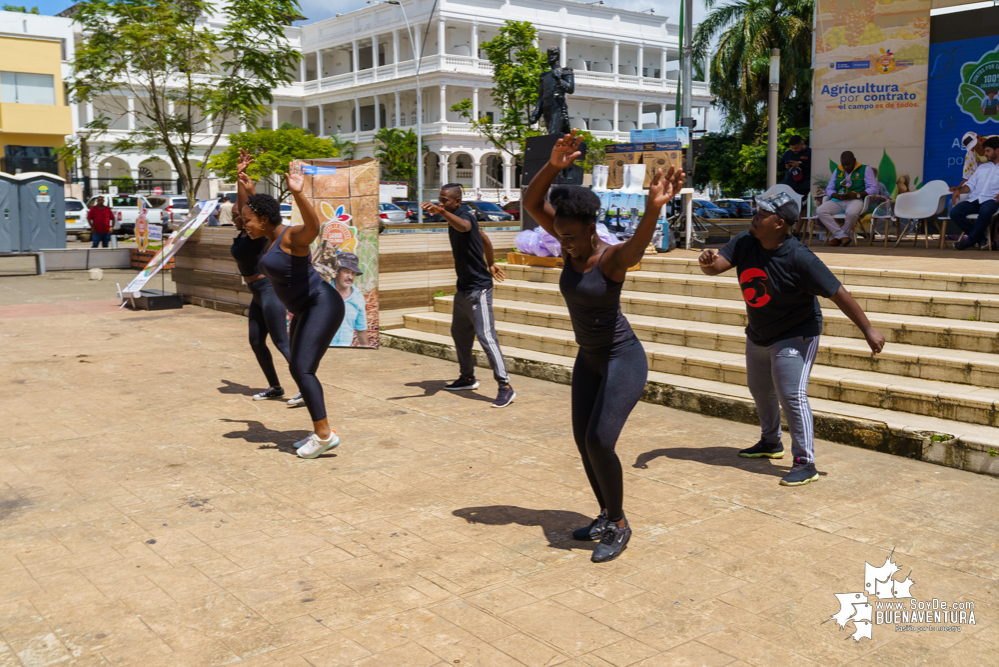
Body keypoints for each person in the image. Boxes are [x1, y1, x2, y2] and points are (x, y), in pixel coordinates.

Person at [523, 130, 684, 563]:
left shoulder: (609, 258)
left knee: (600, 441)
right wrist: (553, 167)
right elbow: (532, 204)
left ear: (591, 228)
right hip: (589, 359)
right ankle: (605, 514)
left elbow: (635, 249)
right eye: (560, 235)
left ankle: (620, 523)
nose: (565, 242)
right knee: (583, 440)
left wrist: (652, 209)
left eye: (572, 235)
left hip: (622, 358)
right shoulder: (568, 243)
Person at [698, 192, 885, 487]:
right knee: (759, 389)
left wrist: (868, 330)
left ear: (779, 223)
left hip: (796, 333)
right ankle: (771, 441)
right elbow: (716, 266)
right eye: (756, 211)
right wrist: (706, 260)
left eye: (763, 214)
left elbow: (838, 292)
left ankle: (805, 462)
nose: (755, 217)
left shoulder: (800, 257)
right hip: (759, 332)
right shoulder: (746, 241)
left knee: (791, 395)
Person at [244, 162, 345, 459]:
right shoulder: (269, 238)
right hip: (303, 309)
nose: (245, 224)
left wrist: (298, 194)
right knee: (297, 368)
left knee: (303, 368)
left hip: (321, 304)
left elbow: (314, 228)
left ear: (262, 219)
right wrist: (248, 190)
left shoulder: (289, 237)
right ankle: (320, 432)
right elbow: (248, 208)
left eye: (249, 219)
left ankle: (325, 434)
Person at [421, 184, 515, 409]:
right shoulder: (458, 216)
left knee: (486, 337)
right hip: (463, 288)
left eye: (445, 200)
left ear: (456, 201)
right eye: (439, 199)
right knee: (459, 333)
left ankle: (505, 387)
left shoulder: (464, 216)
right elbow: (484, 239)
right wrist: (491, 262)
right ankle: (467, 377)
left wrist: (441, 211)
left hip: (479, 289)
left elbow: (464, 227)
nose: (441, 202)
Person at [230, 149, 300, 404]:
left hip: (269, 290)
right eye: (235, 215)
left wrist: (243, 179)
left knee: (282, 342)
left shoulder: (258, 234)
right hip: (257, 294)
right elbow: (244, 207)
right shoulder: (242, 235)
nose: (237, 216)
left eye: (242, 215)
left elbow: (251, 204)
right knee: (257, 341)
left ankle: (304, 386)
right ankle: (275, 387)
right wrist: (238, 177)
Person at [815, 151, 878, 247]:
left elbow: (873, 188)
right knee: (820, 211)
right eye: (843, 165)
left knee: (852, 213)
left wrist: (856, 195)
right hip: (838, 201)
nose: (846, 167)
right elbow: (829, 188)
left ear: (854, 161)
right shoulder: (838, 170)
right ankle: (842, 236)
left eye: (848, 164)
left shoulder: (865, 169)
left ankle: (838, 237)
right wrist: (834, 195)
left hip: (855, 200)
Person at [948, 135, 999, 250]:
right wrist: (959, 190)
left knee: (985, 210)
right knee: (955, 212)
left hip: (992, 200)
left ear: (997, 150)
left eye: (987, 151)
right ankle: (980, 239)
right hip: (975, 199)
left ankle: (970, 241)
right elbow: (970, 185)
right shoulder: (982, 167)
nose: (984, 154)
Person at [330, 252, 370, 347]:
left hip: (345, 349)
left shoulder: (358, 297)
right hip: (320, 350)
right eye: (346, 272)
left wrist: (368, 352)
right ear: (336, 272)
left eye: (353, 273)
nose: (350, 277)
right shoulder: (324, 291)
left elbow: (361, 330)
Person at [778, 135, 811, 237]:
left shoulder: (810, 152)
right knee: (785, 209)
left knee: (800, 209)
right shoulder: (788, 153)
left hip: (804, 185)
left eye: (796, 148)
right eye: (792, 148)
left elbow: (813, 167)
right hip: (789, 184)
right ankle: (787, 233)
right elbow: (779, 167)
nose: (794, 150)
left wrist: (800, 165)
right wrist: (786, 166)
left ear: (802, 144)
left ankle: (797, 234)